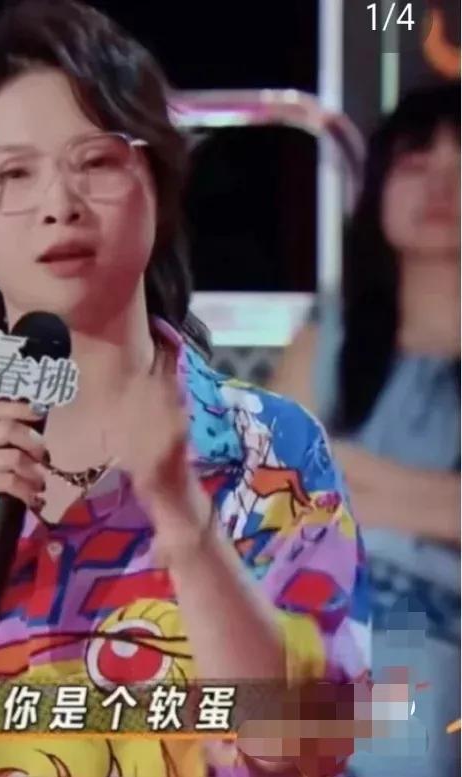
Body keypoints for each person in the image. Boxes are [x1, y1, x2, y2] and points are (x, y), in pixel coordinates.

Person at [0, 2, 370, 776]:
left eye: (95, 162)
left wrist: (183, 520)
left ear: (156, 185)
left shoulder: (271, 450)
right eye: (13, 174)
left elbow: (310, 742)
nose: (58, 204)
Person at [271, 83, 460, 777]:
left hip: (433, 635)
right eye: (414, 162)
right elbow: (272, 500)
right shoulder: (329, 342)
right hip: (307, 615)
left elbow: (313, 484)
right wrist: (434, 504)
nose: (440, 184)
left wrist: (345, 474)